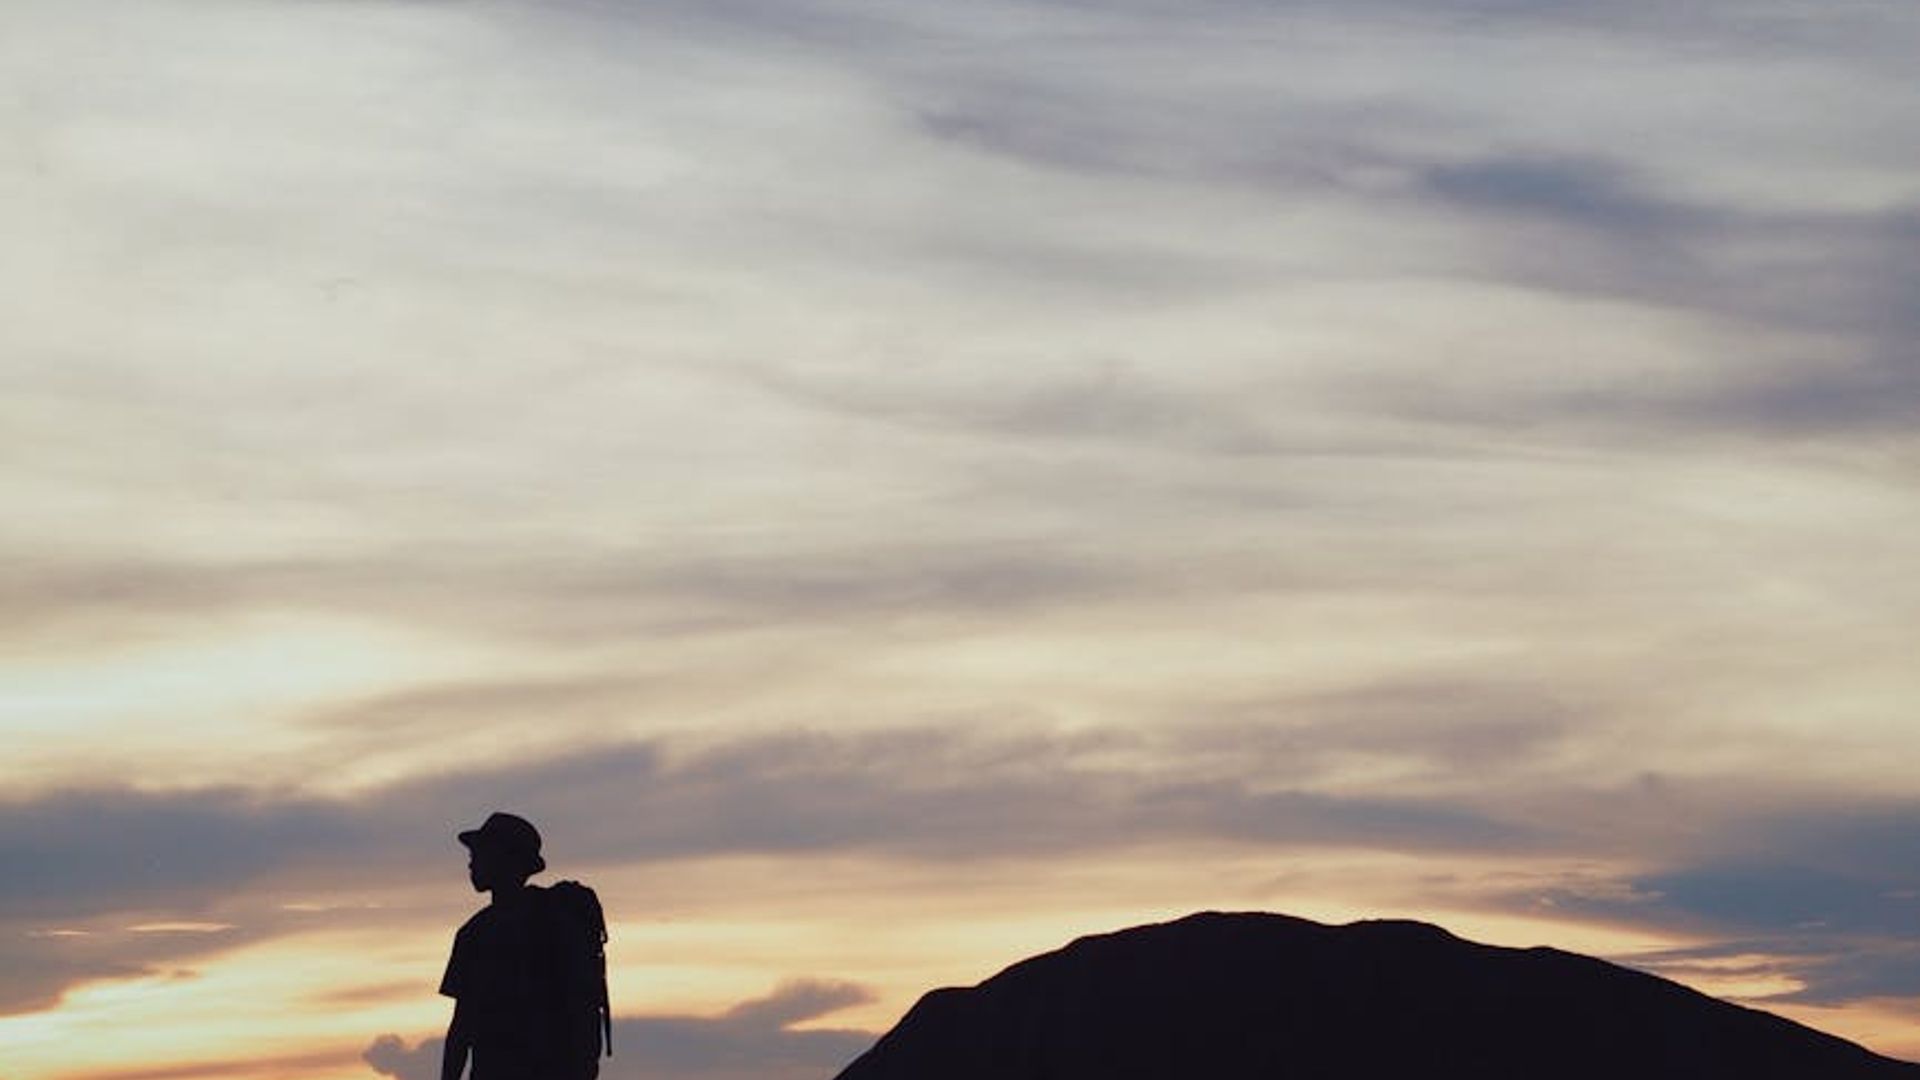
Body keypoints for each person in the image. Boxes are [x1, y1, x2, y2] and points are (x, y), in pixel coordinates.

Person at [440, 812, 593, 1080]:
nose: (471, 863)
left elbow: (461, 1027)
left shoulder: (476, 933)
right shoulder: (554, 919)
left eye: (479, 854)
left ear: (504, 859)